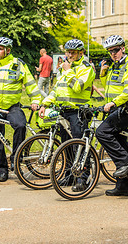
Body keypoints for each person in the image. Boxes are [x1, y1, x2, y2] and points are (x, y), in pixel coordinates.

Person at [0, 37, 41, 182]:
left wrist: (36, 101)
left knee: (20, 125)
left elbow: (30, 84)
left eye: (0, 49)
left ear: (8, 50)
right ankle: (2, 170)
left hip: (12, 106)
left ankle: (16, 160)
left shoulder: (18, 64)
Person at [39, 39, 95, 191]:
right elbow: (56, 90)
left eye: (73, 53)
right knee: (66, 145)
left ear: (81, 53)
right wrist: (45, 104)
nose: (70, 55)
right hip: (64, 111)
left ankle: (83, 178)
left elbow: (77, 87)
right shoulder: (64, 67)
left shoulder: (86, 68)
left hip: (78, 111)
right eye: (68, 52)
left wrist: (69, 70)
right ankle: (70, 175)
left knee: (80, 145)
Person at [95, 35, 128, 197]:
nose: (113, 54)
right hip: (115, 109)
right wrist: (102, 74)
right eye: (110, 51)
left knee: (101, 132)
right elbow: (109, 87)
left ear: (123, 48)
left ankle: (127, 163)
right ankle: (123, 187)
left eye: (115, 50)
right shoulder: (115, 66)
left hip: (126, 108)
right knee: (121, 145)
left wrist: (113, 103)